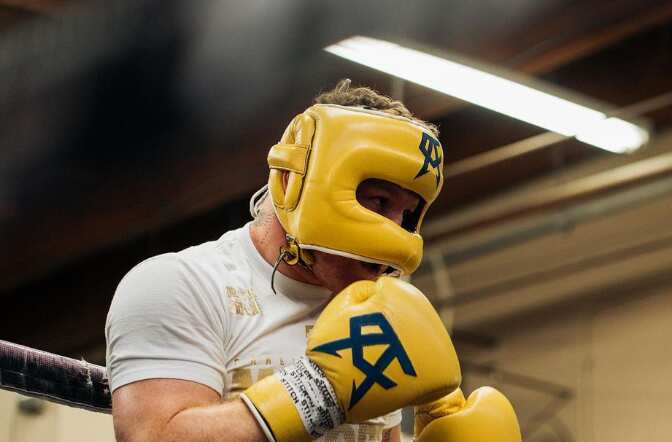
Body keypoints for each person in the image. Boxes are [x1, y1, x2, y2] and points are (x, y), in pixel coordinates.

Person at [105, 80, 520, 442]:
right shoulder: (183, 285)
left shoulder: (380, 316)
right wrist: (319, 392)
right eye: (378, 202)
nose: (396, 235)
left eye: (407, 215)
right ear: (294, 182)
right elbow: (153, 437)